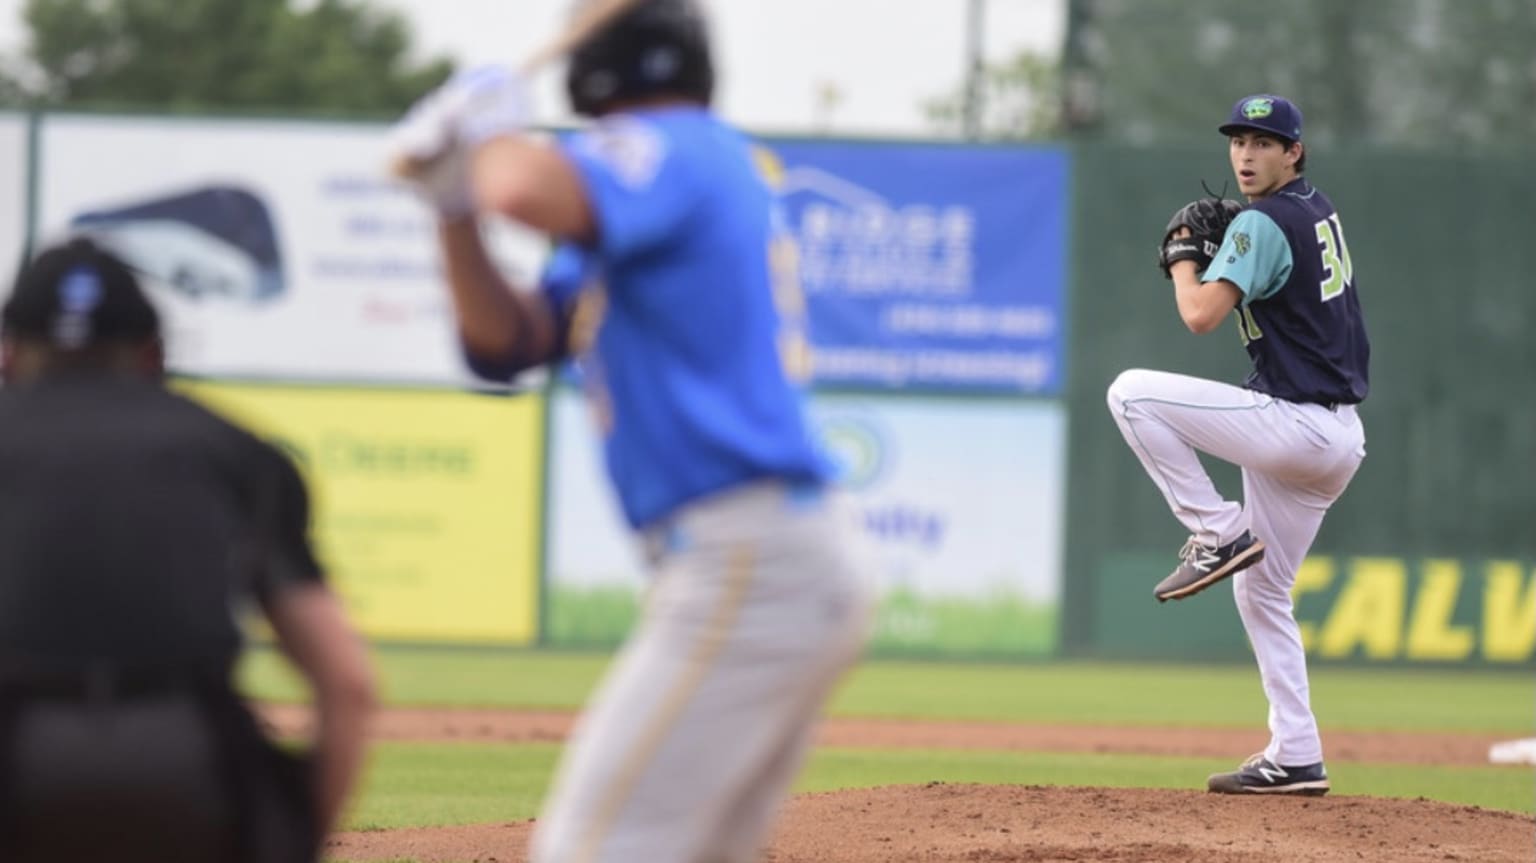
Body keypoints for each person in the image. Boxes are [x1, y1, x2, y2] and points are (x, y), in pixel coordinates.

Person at [386, 1, 874, 860]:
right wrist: (452, 209)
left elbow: (520, 186)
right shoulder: (648, 191)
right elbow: (508, 343)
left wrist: (487, 129)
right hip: (763, 557)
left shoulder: (680, 145)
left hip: (748, 560)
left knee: (589, 848)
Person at [0, 238, 377, 862]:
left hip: (17, 757)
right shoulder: (232, 450)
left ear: (9, 355)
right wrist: (296, 838)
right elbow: (348, 683)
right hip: (189, 766)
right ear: (153, 352)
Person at [1106, 94, 1369, 796]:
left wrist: (1184, 260)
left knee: (1131, 393)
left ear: (1295, 151)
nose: (1247, 155)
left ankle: (1217, 529)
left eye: (1264, 142)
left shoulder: (1261, 222)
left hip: (1297, 425)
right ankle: (1297, 751)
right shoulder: (1314, 208)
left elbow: (1198, 316)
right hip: (1337, 438)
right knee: (1263, 590)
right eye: (1238, 141)